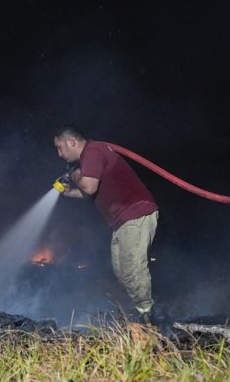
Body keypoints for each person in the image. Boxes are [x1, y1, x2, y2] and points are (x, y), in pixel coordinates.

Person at [53, 125, 160, 321]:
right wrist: (69, 193)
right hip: (121, 222)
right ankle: (143, 312)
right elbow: (87, 193)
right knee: (122, 272)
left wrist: (75, 175)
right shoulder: (90, 156)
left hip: (135, 214)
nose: (59, 154)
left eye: (59, 147)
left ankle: (149, 317)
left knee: (132, 270)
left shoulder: (93, 151)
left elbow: (89, 187)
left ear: (71, 142)